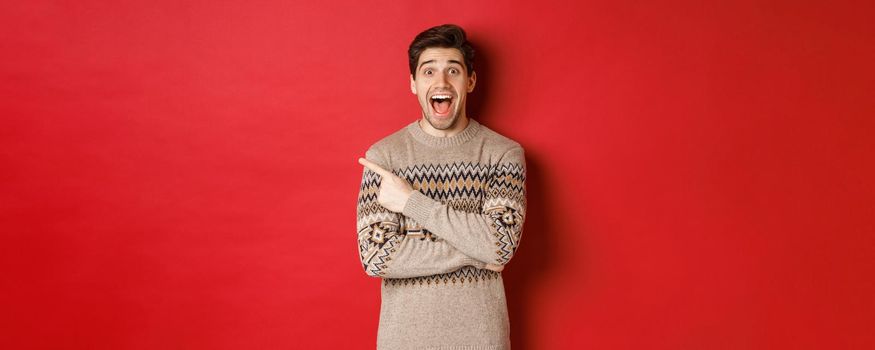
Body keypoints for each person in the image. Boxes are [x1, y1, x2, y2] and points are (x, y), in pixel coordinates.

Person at [355, 23, 527, 350]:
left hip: (481, 341)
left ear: (471, 81)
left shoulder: (503, 154)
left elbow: (499, 245)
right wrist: (476, 253)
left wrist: (410, 203)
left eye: (453, 70)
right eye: (429, 71)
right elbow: (377, 256)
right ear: (413, 83)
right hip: (403, 341)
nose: (441, 81)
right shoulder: (384, 157)